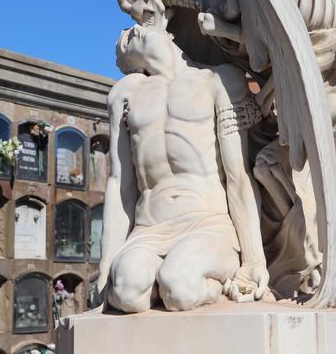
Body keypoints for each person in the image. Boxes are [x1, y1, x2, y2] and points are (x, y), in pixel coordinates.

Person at [96, 25, 268, 312]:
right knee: (126, 292)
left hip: (208, 223)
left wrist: (253, 260)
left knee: (179, 287)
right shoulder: (125, 94)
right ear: (126, 62)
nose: (131, 29)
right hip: (149, 229)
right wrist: (105, 268)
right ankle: (157, 285)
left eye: (137, 27)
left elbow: (238, 176)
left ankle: (215, 287)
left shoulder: (219, 79)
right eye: (123, 39)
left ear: (169, 33)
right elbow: (119, 182)